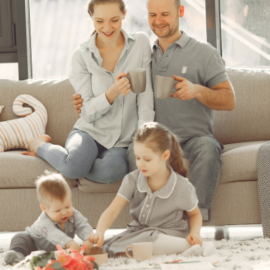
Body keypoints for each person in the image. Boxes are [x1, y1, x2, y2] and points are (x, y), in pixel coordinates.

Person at [73, 0, 235, 221]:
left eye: (165, 14)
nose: (158, 21)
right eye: (152, 15)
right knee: (134, 151)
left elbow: (229, 100)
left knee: (209, 149)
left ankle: (195, 220)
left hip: (195, 138)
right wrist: (83, 101)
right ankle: (148, 220)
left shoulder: (204, 52)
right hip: (158, 139)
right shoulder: (146, 52)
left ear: (180, 12)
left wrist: (197, 90)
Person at [22, 0, 154, 184]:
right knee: (74, 166)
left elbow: (145, 92)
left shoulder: (140, 43)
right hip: (89, 132)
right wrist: (113, 91)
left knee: (114, 170)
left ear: (124, 14)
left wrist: (144, 133)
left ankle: (75, 164)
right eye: (99, 21)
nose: (107, 28)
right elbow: (87, 113)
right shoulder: (82, 56)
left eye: (114, 20)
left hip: (121, 140)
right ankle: (39, 145)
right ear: (91, 17)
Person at [88, 122, 215, 258]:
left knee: (148, 240)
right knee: (109, 247)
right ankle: (183, 249)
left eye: (147, 159)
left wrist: (195, 233)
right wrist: (100, 231)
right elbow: (113, 210)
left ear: (165, 156)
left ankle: (195, 246)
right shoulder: (132, 179)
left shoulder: (182, 186)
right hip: (140, 232)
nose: (140, 164)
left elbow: (195, 214)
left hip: (170, 233)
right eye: (137, 158)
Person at [4, 172, 94, 265]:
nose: (64, 212)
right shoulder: (43, 222)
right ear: (44, 209)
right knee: (20, 237)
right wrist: (69, 243)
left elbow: (82, 225)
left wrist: (88, 239)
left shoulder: (73, 214)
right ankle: (17, 255)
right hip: (34, 243)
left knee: (68, 252)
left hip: (55, 249)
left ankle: (51, 255)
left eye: (67, 206)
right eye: (58, 210)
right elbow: (53, 234)